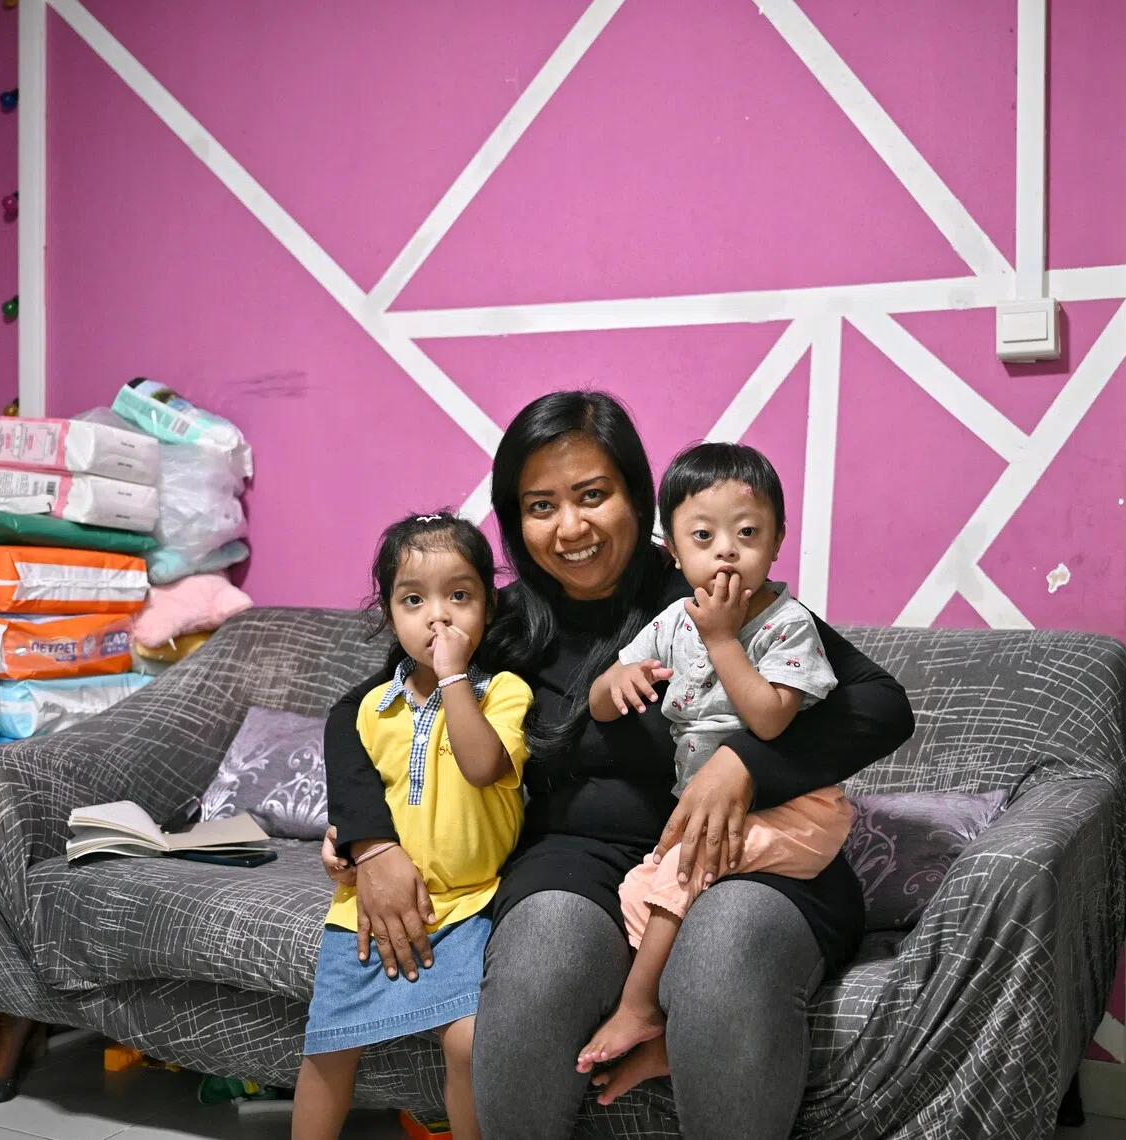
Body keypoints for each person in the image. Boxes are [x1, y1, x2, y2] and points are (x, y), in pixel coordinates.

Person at [322, 391, 914, 1139]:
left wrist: (746, 763)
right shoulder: (500, 620)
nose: (570, 527)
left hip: (745, 851)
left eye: (593, 495)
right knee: (539, 962)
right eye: (541, 506)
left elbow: (881, 705)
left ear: (638, 497)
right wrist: (371, 839)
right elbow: (360, 709)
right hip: (580, 857)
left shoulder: (709, 589)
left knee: (724, 953)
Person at [576, 442, 854, 1085]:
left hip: (796, 814)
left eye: (747, 534)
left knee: (683, 873)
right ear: (673, 551)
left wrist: (724, 639)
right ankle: (679, 1036)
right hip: (708, 816)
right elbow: (601, 698)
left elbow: (770, 719)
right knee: (638, 894)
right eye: (703, 536)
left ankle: (640, 1009)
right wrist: (615, 683)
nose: (726, 551)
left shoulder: (788, 625)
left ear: (778, 540)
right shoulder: (676, 619)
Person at [294, 513, 532, 1140]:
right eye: (414, 600)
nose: (438, 617)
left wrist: (453, 678)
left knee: (469, 1041)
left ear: (488, 607)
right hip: (366, 911)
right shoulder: (371, 709)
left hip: (469, 905)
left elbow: (482, 766)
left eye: (460, 596)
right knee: (327, 1046)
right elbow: (370, 799)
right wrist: (344, 844)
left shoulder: (504, 693)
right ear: (388, 613)